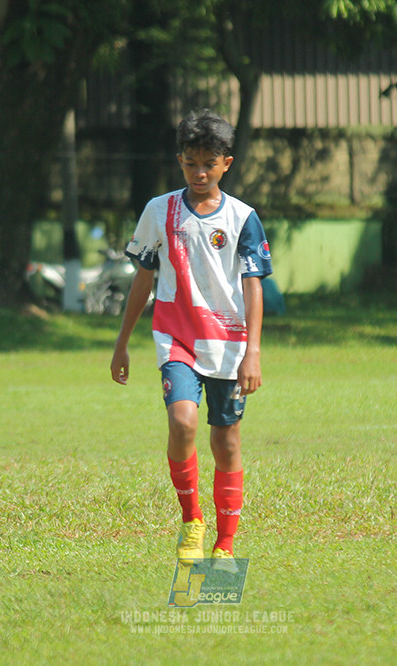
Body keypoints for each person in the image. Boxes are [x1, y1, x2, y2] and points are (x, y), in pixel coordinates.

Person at [110, 109, 272, 566]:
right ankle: (192, 519)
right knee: (182, 422)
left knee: (226, 442)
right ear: (179, 160)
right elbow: (143, 277)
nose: (199, 172)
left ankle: (225, 545)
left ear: (227, 163)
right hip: (176, 337)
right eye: (189, 163)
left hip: (229, 346)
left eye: (208, 163)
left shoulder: (243, 218)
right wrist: (122, 343)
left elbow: (252, 284)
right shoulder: (159, 211)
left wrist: (253, 353)